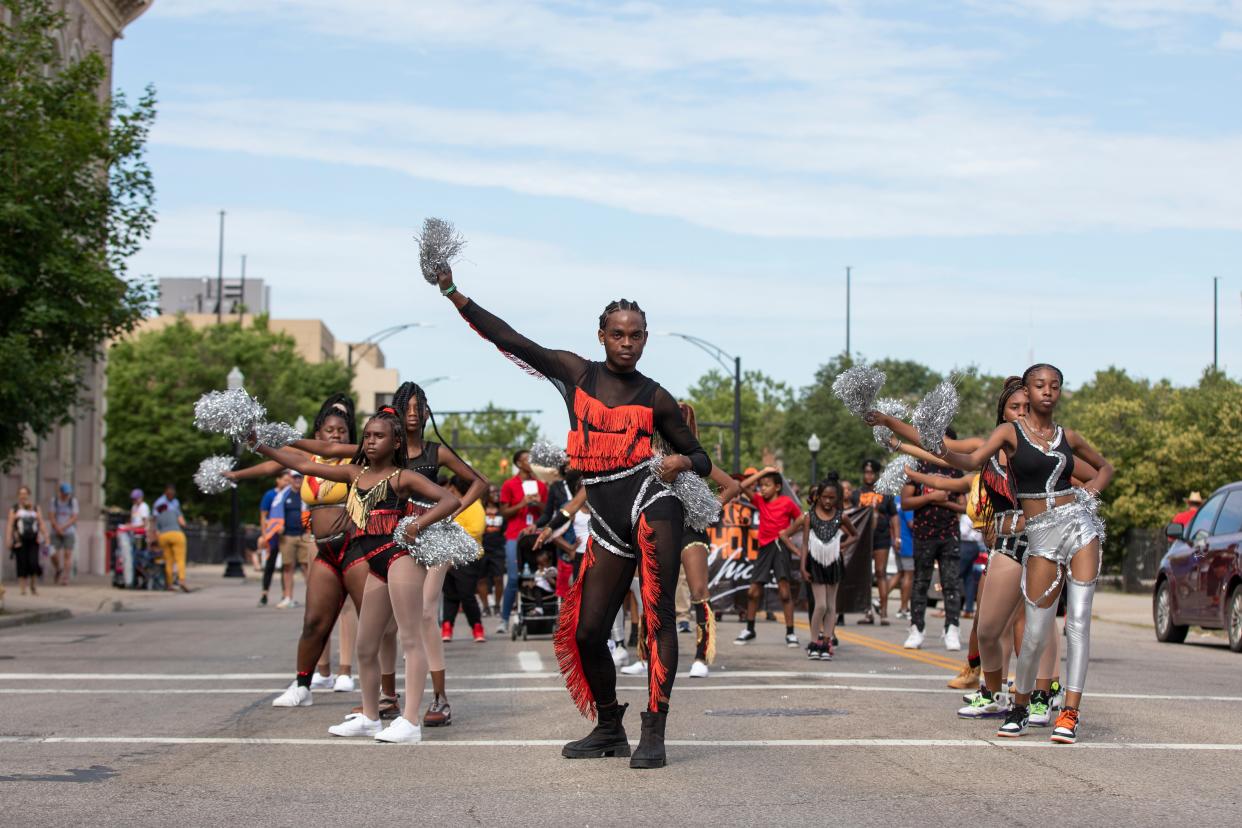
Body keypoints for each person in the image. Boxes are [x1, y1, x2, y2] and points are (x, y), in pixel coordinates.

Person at [437, 265, 712, 769]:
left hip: (653, 504)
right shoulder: (575, 373)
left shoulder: (656, 397)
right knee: (587, 633)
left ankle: (655, 730)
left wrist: (680, 460)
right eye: (617, 335)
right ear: (601, 335)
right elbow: (512, 339)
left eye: (635, 336)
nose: (626, 343)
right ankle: (609, 725)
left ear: (645, 339)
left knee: (657, 619)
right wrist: (454, 293)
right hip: (606, 523)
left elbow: (703, 459)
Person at [255, 406, 461, 744]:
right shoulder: (354, 474)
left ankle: (410, 721)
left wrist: (417, 525)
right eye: (366, 435)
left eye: (379, 436)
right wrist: (259, 445)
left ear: (396, 442)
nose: (370, 441)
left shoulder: (402, 477)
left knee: (410, 639)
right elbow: (306, 465)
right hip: (373, 563)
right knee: (366, 646)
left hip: (400, 558)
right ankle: (369, 717)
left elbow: (448, 500)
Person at [935, 364, 1114, 744]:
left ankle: (1069, 712)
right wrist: (938, 444)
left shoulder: (1069, 436)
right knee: (1034, 628)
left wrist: (1090, 497)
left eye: (1054, 386)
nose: (1047, 391)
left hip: (1079, 527)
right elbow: (970, 461)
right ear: (1027, 390)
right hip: (1040, 536)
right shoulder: (1009, 432)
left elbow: (1104, 468)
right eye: (1039, 385)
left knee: (1078, 622)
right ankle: (1019, 706)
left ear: (1060, 392)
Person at [297, 381, 489, 728]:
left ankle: (438, 699)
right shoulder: (379, 449)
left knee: (425, 614)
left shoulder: (435, 452)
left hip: (427, 541)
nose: (415, 414)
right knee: (382, 628)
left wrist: (439, 518)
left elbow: (479, 482)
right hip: (388, 544)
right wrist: (281, 440)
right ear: (397, 416)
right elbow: (323, 449)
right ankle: (385, 698)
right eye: (408, 408)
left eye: (421, 408)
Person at [226, 395, 374, 700]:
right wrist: (256, 447)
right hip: (323, 550)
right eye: (330, 430)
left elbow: (330, 451)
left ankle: (379, 693)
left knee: (371, 622)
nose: (336, 435)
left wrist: (280, 437)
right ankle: (303, 685)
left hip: (355, 548)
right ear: (318, 434)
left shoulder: (357, 459)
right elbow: (281, 462)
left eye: (342, 430)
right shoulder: (310, 462)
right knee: (313, 622)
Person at [899, 440, 964, 652]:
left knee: (951, 582)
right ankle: (917, 628)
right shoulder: (919, 466)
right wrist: (931, 497)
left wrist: (944, 502)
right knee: (920, 582)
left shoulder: (955, 469)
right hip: (924, 533)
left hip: (949, 533)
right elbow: (906, 502)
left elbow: (964, 507)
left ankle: (952, 627)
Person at [785, 474, 857, 660]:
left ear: (838, 499)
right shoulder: (810, 517)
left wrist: (841, 546)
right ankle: (813, 641)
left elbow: (855, 535)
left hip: (834, 563)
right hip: (815, 562)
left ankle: (827, 642)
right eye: (824, 497)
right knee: (821, 605)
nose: (827, 501)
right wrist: (803, 565)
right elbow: (805, 543)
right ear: (818, 496)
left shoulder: (841, 517)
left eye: (832, 498)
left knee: (832, 606)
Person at [735, 467, 803, 648]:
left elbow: (801, 519)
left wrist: (787, 533)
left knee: (784, 592)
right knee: (753, 592)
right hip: (764, 548)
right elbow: (741, 486)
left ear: (778, 487)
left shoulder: (787, 502)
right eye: (761, 485)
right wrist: (763, 472)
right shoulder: (759, 501)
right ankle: (750, 629)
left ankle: (790, 633)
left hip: (780, 547)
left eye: (767, 485)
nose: (762, 488)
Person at [498, 449, 548, 635]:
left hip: (537, 534)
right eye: (527, 460)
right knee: (513, 577)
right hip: (514, 535)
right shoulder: (509, 484)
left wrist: (537, 504)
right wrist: (522, 504)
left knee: (540, 575)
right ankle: (504, 619)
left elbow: (547, 511)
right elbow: (504, 512)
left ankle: (541, 609)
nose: (531, 463)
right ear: (519, 463)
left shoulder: (541, 485)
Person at [852, 459, 901, 626]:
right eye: (866, 472)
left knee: (880, 572)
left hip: (882, 537)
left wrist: (897, 537)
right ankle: (867, 612)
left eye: (871, 473)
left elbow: (894, 516)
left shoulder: (886, 494)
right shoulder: (857, 494)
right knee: (865, 575)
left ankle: (884, 612)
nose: (869, 475)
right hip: (863, 538)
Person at [442, 473, 487, 643]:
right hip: (447, 556)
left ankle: (477, 627)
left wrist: (451, 533)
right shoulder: (449, 505)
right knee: (450, 595)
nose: (449, 491)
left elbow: (476, 530)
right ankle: (447, 626)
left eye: (451, 488)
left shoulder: (474, 505)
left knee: (467, 595)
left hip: (468, 557)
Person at [256, 472, 290, 607]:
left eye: (289, 481)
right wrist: (264, 535)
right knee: (270, 564)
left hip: (286, 533)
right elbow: (263, 516)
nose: (287, 483)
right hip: (273, 535)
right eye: (285, 480)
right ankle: (264, 593)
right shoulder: (270, 495)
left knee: (286, 565)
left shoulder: (290, 494)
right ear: (278, 480)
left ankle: (285, 593)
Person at [7, 485, 47, 596]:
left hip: (34, 539)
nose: (23, 496)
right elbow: (10, 525)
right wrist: (8, 539)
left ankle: (33, 585)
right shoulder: (15, 509)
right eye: (21, 494)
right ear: (18, 495)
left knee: (34, 563)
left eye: (25, 494)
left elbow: (41, 522)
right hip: (20, 539)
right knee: (22, 563)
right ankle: (22, 588)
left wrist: (46, 537)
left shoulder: (35, 508)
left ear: (28, 495)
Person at [151, 484, 190, 592]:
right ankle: (181, 580)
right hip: (177, 534)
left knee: (168, 561)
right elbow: (182, 522)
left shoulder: (158, 505)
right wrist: (185, 524)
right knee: (180, 559)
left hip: (163, 535)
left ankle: (169, 584)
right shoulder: (175, 505)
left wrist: (154, 536)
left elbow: (155, 522)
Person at [477, 485, 506, 616]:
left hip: (498, 550)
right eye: (493, 492)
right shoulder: (480, 510)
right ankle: (485, 607)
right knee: (481, 579)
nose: (496, 494)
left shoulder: (503, 511)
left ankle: (498, 605)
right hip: (482, 549)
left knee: (498, 578)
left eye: (497, 492)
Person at [116, 488, 150, 589]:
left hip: (140, 536)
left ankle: (139, 580)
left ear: (141, 498)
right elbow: (133, 521)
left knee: (137, 559)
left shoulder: (144, 507)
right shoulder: (134, 507)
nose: (134, 501)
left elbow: (144, 524)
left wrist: (129, 527)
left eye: (136, 499)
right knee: (129, 558)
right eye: (133, 499)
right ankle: (131, 579)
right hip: (132, 534)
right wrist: (127, 526)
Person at [49, 483, 78, 585]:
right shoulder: (54, 501)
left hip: (69, 531)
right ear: (60, 492)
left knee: (67, 553)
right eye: (65, 493)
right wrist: (57, 528)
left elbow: (74, 517)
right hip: (55, 530)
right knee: (52, 553)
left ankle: (65, 577)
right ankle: (58, 569)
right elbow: (51, 516)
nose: (66, 496)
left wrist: (63, 527)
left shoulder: (72, 502)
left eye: (68, 494)